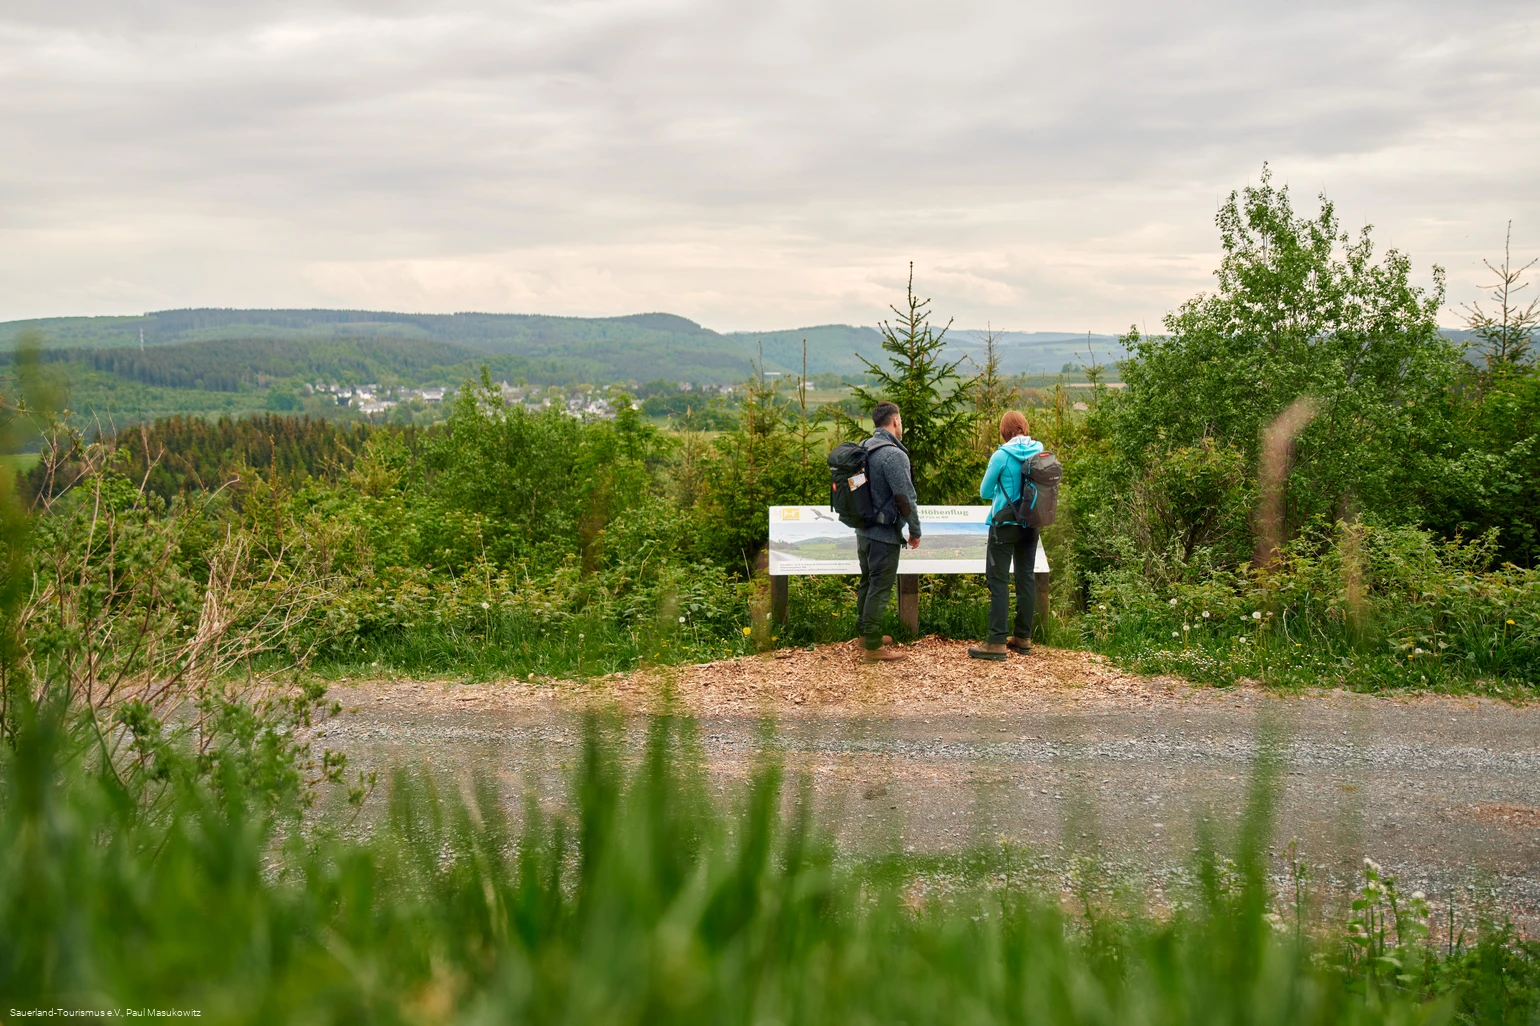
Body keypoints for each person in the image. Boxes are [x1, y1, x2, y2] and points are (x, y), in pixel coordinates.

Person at [969, 410, 1044, 660]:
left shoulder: (1001, 455)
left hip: (1004, 524)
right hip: (1031, 522)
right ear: (1024, 426)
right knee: (1026, 579)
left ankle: (996, 642)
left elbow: (984, 491)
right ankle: (1023, 637)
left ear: (1004, 431)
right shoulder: (1039, 449)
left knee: (998, 580)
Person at [854, 401, 921, 662]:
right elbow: (906, 498)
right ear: (895, 421)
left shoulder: (864, 448)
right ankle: (872, 646)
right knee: (880, 588)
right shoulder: (894, 455)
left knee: (867, 582)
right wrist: (914, 530)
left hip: (863, 531)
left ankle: (865, 634)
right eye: (900, 420)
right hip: (884, 534)